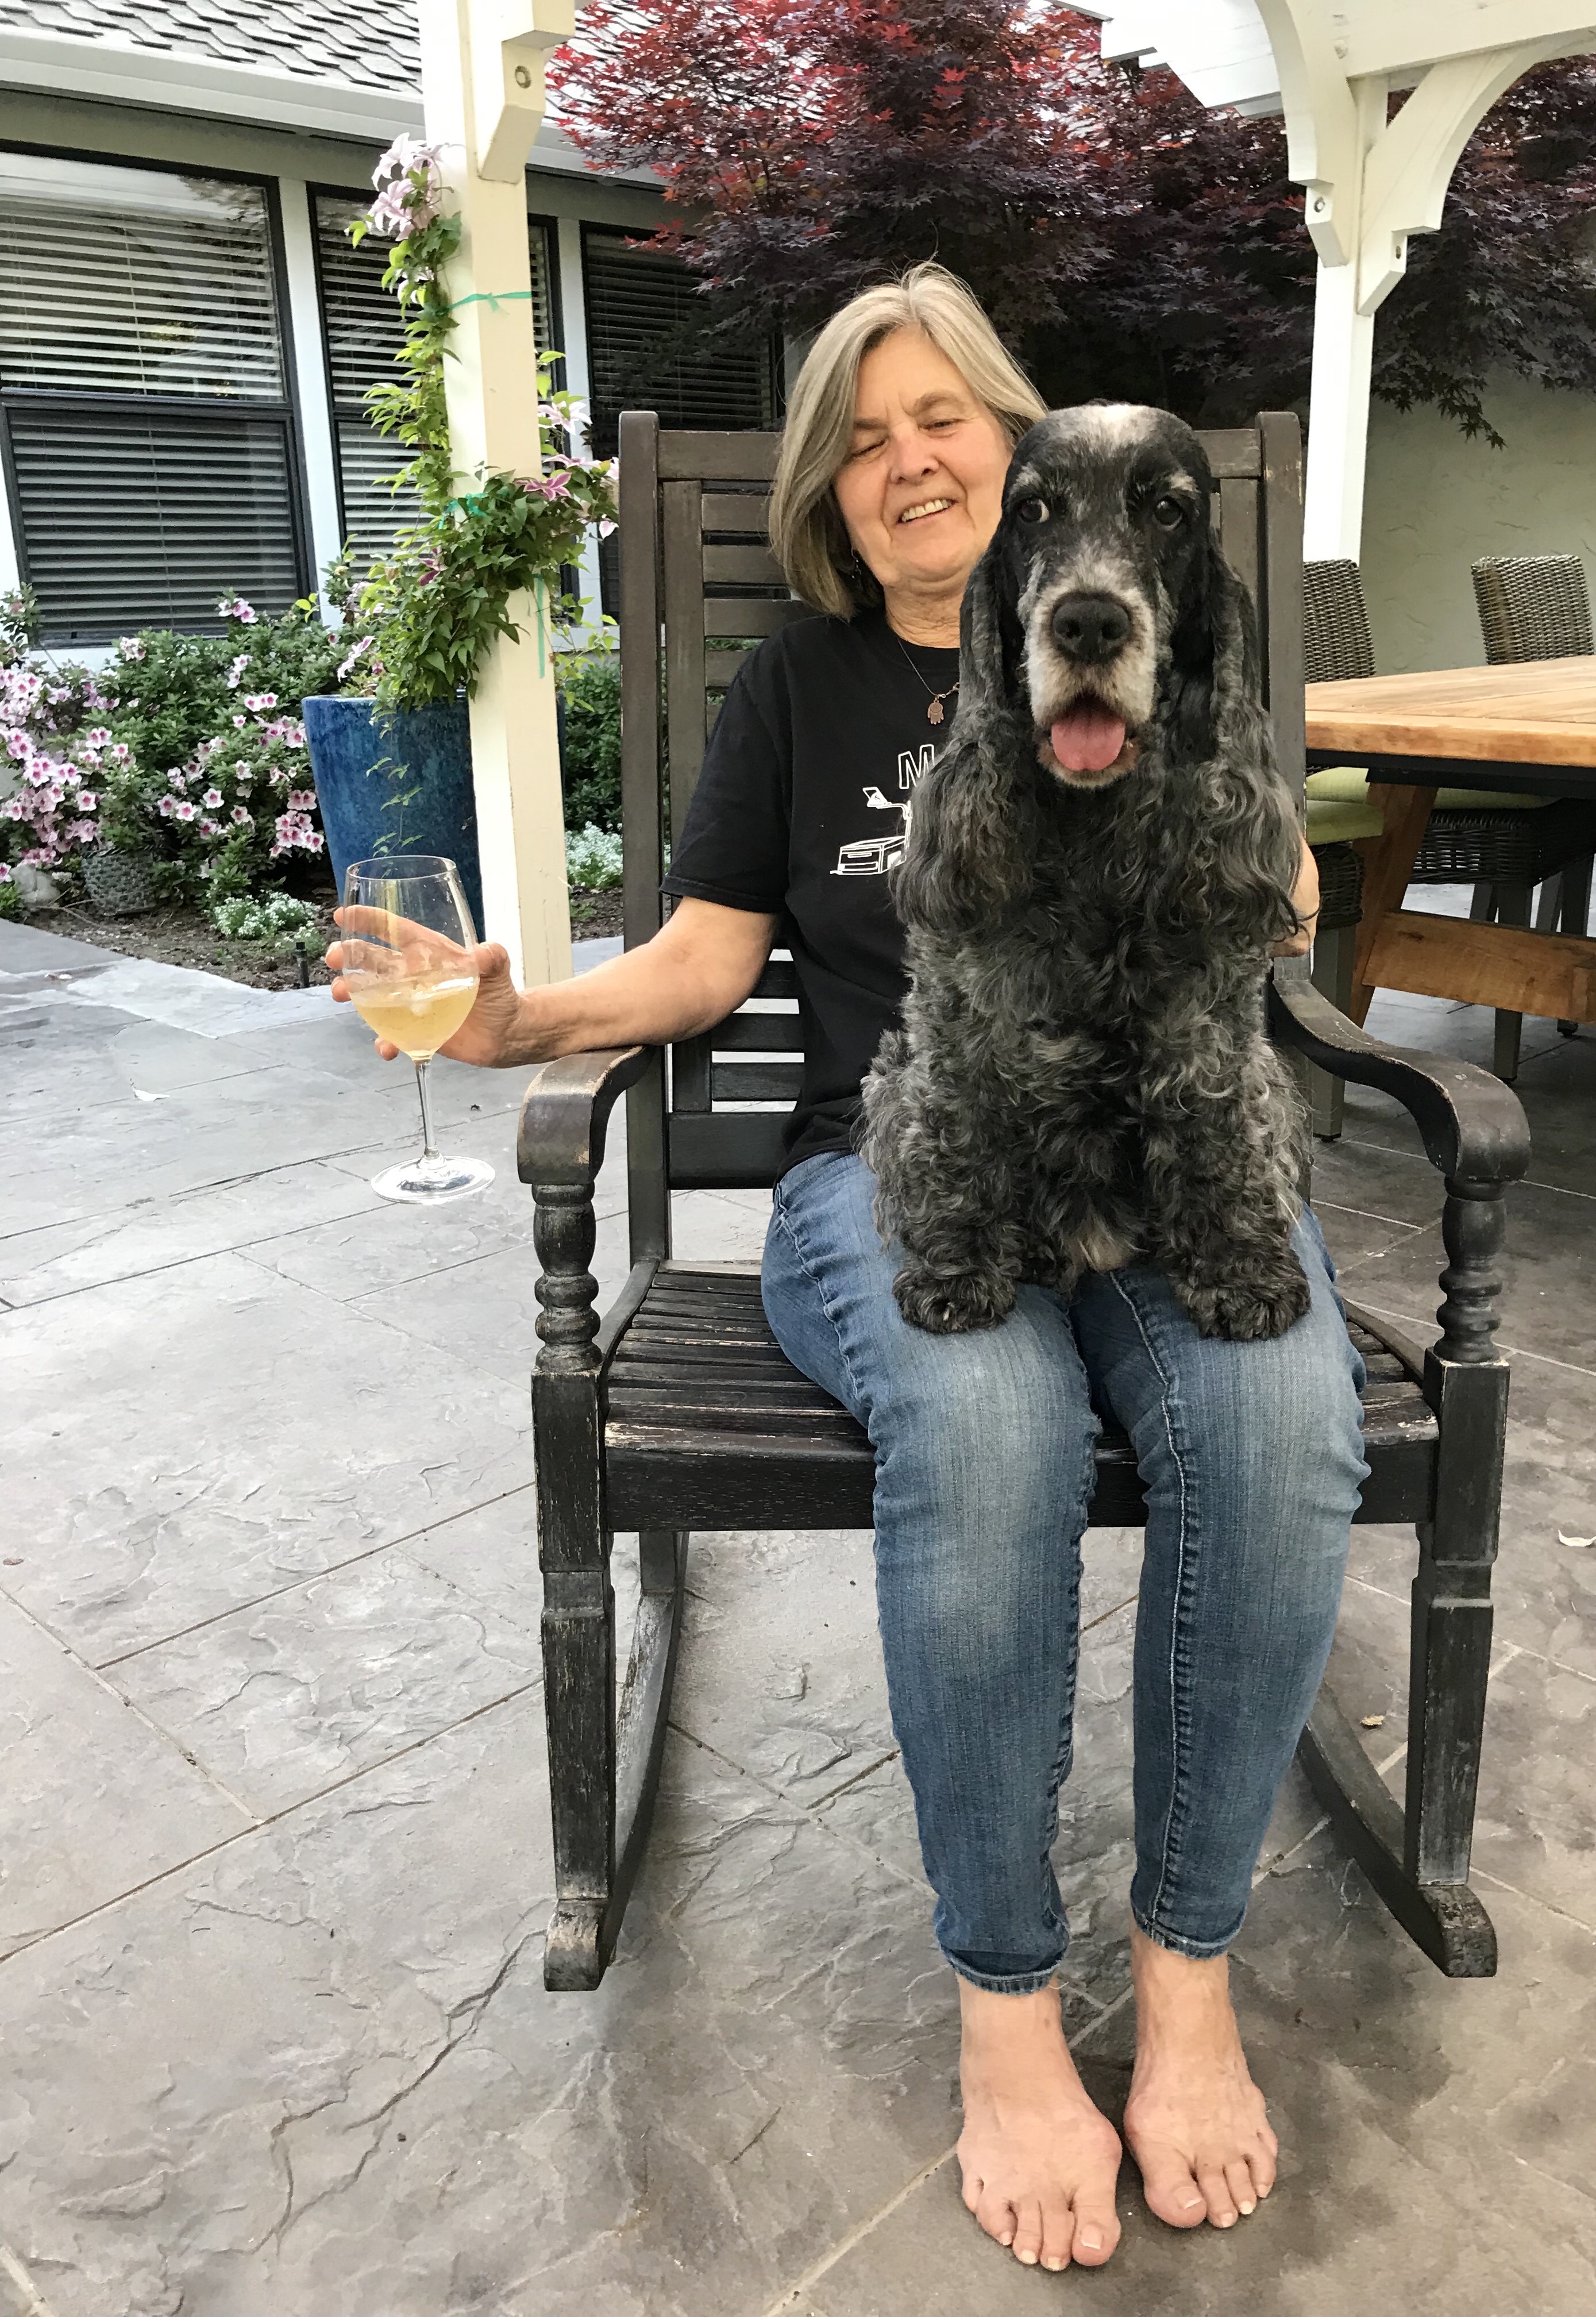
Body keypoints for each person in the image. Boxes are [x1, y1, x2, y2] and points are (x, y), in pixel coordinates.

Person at [329, 263, 1364, 2277]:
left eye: (943, 420)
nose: (910, 464)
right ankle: (1005, 2003)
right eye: (864, 440)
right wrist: (517, 1022)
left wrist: (1212, 794)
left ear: (1020, 447)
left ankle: (1188, 1971)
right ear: (831, 490)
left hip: (1163, 1169)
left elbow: (1279, 905)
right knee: (986, 1425)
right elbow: (702, 964)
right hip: (887, 1173)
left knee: (1277, 1416)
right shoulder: (799, 691)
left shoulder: (1160, 638)